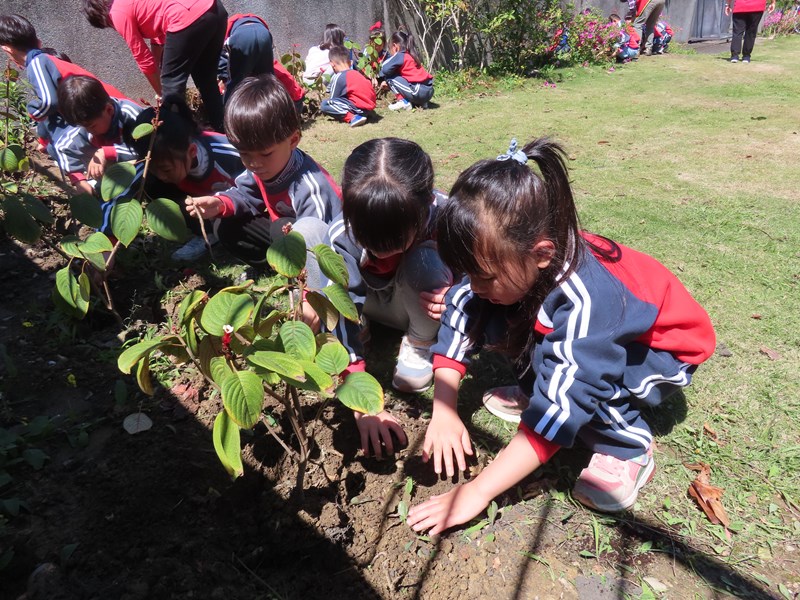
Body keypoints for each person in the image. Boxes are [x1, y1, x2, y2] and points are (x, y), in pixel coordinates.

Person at [406, 138, 716, 535]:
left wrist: (478, 491)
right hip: (601, 329)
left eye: (483, 276)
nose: (473, 284)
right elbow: (462, 307)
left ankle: (628, 446)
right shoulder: (515, 260)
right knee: (496, 313)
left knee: (578, 383)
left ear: (541, 253)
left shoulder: (587, 300)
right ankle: (540, 388)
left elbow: (569, 399)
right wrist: (445, 409)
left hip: (662, 352)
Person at [321, 138, 452, 457]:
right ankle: (358, 329)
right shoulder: (343, 234)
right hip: (369, 302)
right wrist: (360, 400)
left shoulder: (449, 217)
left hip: (418, 306)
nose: (380, 250)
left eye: (394, 241)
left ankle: (419, 344)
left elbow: (485, 275)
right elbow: (341, 295)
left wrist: (457, 293)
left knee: (426, 260)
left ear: (426, 206)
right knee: (314, 239)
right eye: (369, 239)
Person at [184, 74, 341, 267]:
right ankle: (275, 266)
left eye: (265, 154)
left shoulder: (310, 187)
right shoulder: (259, 168)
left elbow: (323, 239)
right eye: (244, 153)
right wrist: (219, 203)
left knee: (279, 229)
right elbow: (245, 193)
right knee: (225, 225)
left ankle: (296, 272)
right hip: (286, 234)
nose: (254, 163)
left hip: (322, 241)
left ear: (293, 140)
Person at [82, 0, 228, 131]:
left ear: (100, 18)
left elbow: (143, 59)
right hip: (215, 10)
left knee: (172, 86)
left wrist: (163, 92)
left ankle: (189, 135)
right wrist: (160, 69)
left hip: (187, 17)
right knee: (205, 77)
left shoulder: (117, 13)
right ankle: (222, 129)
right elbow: (158, 35)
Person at [127, 100, 244, 261]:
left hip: (238, 204)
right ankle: (205, 233)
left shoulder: (228, 155)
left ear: (192, 151)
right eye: (154, 168)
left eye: (166, 169)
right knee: (151, 184)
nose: (161, 175)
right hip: (207, 204)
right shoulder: (164, 165)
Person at [0, 14, 126, 159]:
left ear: (7, 49)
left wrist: (32, 112)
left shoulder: (36, 63)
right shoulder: (45, 60)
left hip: (109, 110)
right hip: (109, 109)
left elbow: (48, 102)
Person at [55, 75, 142, 235]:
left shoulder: (132, 115)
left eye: (92, 126)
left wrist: (107, 152)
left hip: (139, 168)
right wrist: (79, 181)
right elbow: (63, 148)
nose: (88, 130)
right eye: (83, 126)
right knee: (103, 199)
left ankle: (107, 234)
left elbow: (149, 150)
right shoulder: (85, 123)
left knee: (116, 201)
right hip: (108, 177)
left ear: (109, 110)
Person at [217, 13, 273, 103]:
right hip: (264, 33)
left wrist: (223, 78)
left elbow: (222, 55)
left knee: (235, 85)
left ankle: (227, 113)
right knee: (267, 81)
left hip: (241, 37)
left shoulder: (224, 28)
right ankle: (271, 110)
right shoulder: (248, 19)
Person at [320, 46, 376, 127]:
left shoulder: (339, 76)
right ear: (350, 62)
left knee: (325, 104)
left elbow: (334, 100)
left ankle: (353, 117)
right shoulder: (357, 74)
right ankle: (363, 115)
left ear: (332, 64)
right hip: (368, 108)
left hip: (358, 109)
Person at [379, 30, 434, 111]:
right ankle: (422, 103)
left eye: (390, 49)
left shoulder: (400, 55)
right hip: (429, 90)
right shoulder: (412, 54)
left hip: (418, 91)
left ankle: (403, 102)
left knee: (389, 78)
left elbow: (385, 69)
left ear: (395, 46)